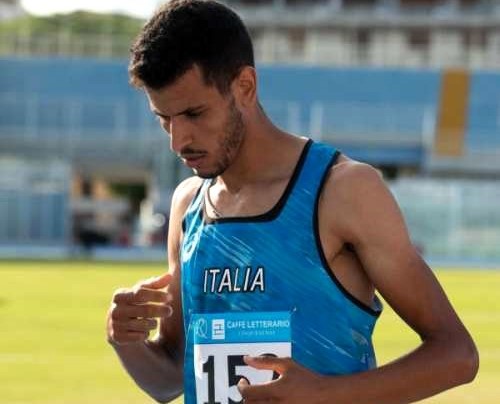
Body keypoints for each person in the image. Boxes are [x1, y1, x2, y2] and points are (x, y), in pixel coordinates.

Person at [106, 1, 478, 403]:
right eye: (164, 119)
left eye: (194, 114)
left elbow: (456, 354)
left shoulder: (343, 190)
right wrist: (125, 340)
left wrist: (326, 394)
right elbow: (170, 379)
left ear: (245, 86)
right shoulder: (189, 204)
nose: (178, 141)